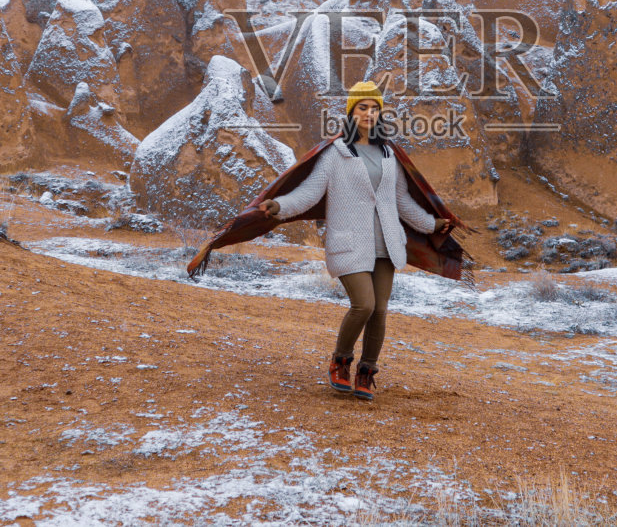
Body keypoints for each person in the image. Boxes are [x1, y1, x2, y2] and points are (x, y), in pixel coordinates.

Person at [187, 80, 471, 401]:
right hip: (348, 243)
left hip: (387, 244)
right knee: (363, 305)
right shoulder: (336, 153)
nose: (369, 113)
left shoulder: (389, 153)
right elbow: (309, 193)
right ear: (351, 112)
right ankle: (341, 361)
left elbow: (402, 202)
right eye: (362, 107)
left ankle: (367, 371)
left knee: (379, 311)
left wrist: (433, 223)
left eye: (374, 108)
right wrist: (279, 206)